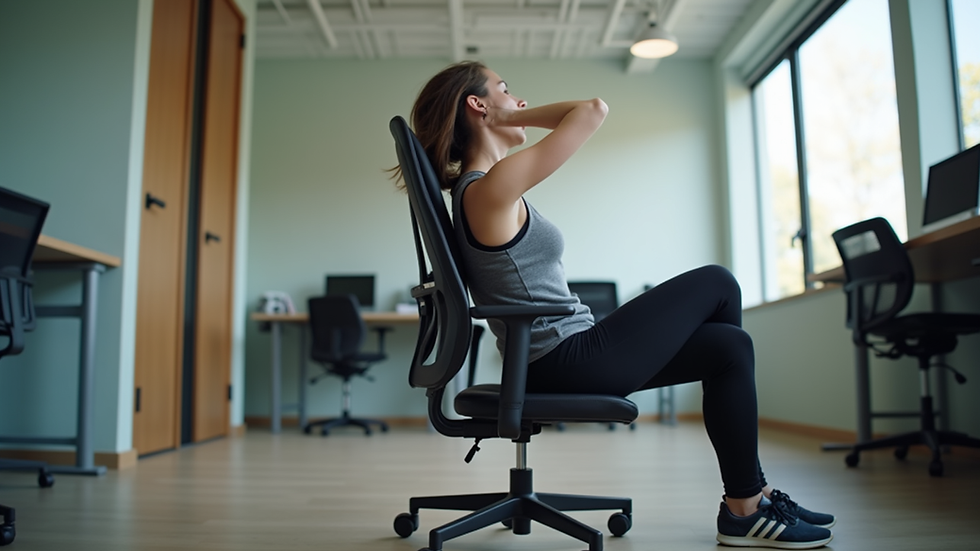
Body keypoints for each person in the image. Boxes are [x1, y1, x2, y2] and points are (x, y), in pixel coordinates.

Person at [402, 60, 836, 550]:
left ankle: (748, 500)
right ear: (477, 105)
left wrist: (505, 115)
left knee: (728, 346)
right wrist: (507, 119)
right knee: (718, 282)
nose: (520, 102)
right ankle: (750, 503)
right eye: (506, 91)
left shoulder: (490, 188)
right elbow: (591, 110)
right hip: (561, 358)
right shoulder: (487, 190)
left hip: (562, 355)